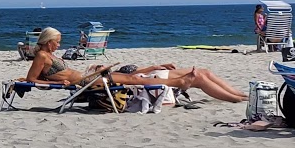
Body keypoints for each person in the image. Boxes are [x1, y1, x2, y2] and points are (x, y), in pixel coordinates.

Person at [24, 28, 247, 103]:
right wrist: (57, 81)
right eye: (57, 42)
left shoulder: (48, 55)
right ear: (48, 40)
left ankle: (239, 95)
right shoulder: (42, 57)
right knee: (131, 79)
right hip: (86, 83)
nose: (59, 45)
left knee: (131, 77)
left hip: (87, 78)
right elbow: (31, 80)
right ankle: (180, 82)